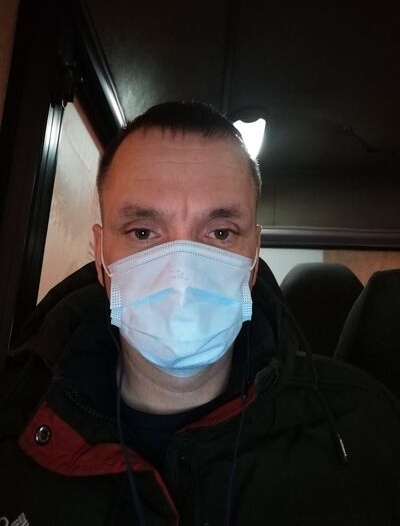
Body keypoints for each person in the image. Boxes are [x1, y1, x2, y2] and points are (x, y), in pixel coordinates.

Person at [1, 102, 400, 526]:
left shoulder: (367, 432)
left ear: (253, 258)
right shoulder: (11, 418)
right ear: (101, 256)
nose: (182, 272)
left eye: (220, 233)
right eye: (143, 232)